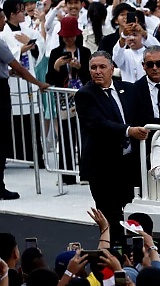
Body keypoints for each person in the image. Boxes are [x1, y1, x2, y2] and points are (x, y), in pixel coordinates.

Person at [75, 50, 149, 245]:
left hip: (130, 165)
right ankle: (114, 258)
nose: (97, 71)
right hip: (103, 169)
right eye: (93, 67)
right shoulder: (85, 95)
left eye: (102, 67)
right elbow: (98, 124)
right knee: (111, 217)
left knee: (135, 215)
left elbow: (143, 117)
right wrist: (128, 131)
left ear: (112, 68)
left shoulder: (129, 89)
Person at [1, 0, 46, 171]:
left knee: (32, 119)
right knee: (15, 120)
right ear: (12, 14)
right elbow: (8, 55)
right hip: (13, 83)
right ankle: (17, 155)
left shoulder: (27, 29)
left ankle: (36, 156)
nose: (23, 14)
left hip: (29, 78)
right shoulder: (3, 33)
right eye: (20, 11)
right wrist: (22, 50)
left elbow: (40, 45)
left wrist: (31, 45)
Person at [45, 16, 91, 186]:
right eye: (66, 36)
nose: (69, 39)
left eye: (72, 35)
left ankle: (86, 174)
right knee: (66, 136)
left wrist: (80, 68)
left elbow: (91, 76)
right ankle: (67, 175)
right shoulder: (56, 53)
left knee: (84, 136)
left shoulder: (84, 52)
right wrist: (57, 66)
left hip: (83, 98)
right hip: (64, 100)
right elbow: (49, 79)